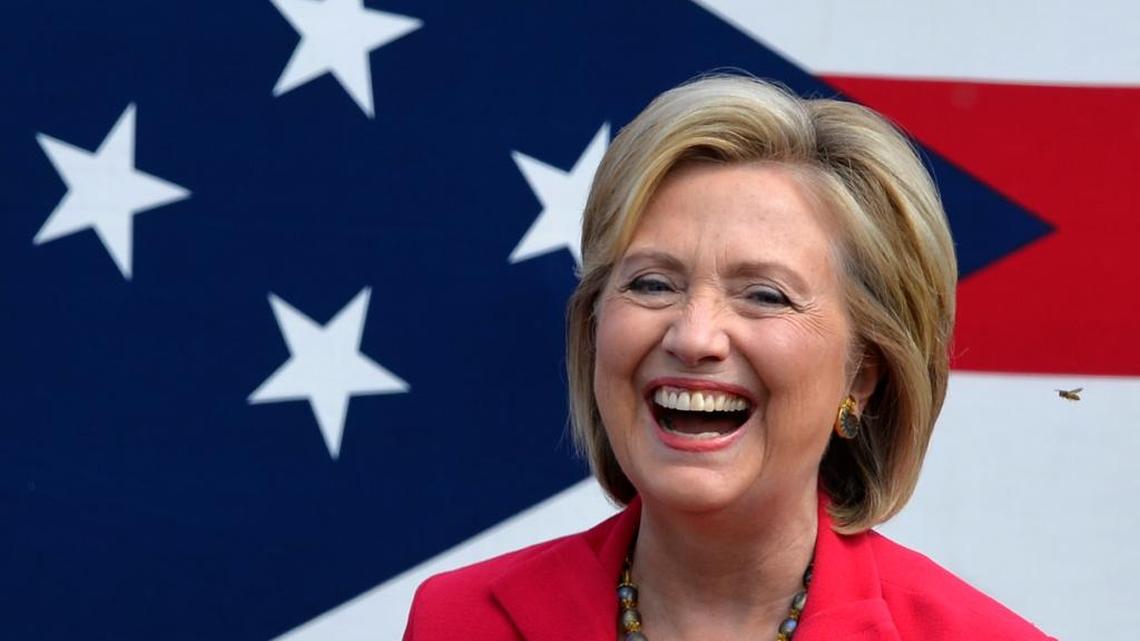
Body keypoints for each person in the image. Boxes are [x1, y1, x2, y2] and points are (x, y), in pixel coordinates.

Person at [403, 75, 1055, 640]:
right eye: (652, 283)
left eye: (765, 295)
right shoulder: (460, 619)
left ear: (863, 371)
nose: (694, 337)